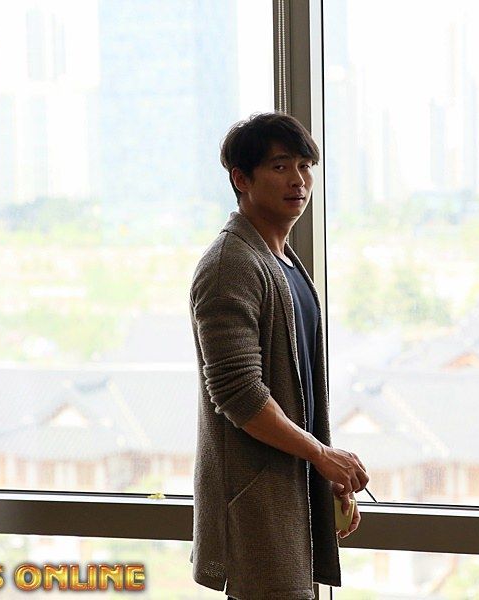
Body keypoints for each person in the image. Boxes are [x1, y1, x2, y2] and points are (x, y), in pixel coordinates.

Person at [190, 112, 369, 599]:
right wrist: (321, 455)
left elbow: (298, 389)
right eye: (280, 166)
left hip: (290, 494)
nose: (298, 180)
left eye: (306, 166)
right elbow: (239, 395)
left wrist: (322, 469)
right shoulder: (231, 265)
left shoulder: (283, 261)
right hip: (255, 505)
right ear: (241, 180)